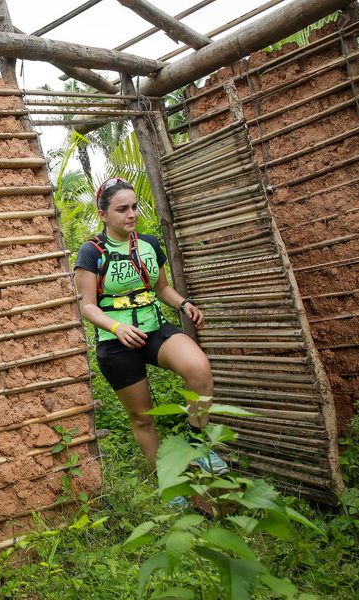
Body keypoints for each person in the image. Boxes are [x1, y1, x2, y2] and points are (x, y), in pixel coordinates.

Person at [74, 176, 228, 505]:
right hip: (116, 342)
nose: (131, 214)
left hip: (154, 330)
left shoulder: (149, 244)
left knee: (199, 368)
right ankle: (168, 483)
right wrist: (116, 328)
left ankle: (197, 445)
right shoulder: (92, 252)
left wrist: (183, 304)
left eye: (134, 207)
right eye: (122, 209)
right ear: (104, 215)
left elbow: (161, 288)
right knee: (143, 417)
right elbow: (86, 305)